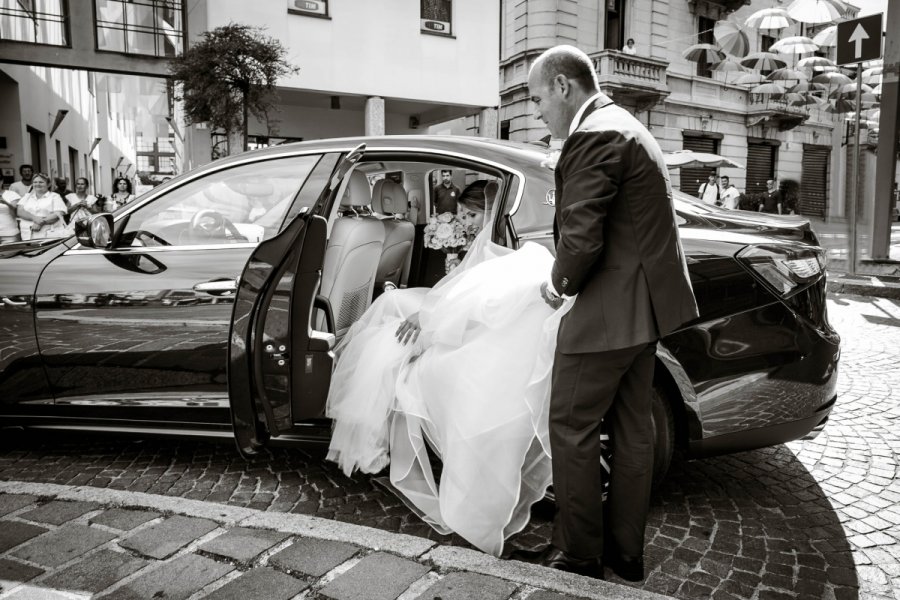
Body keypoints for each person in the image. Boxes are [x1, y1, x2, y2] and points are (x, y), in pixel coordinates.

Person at [527, 45, 698, 581]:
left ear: (562, 86)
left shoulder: (595, 134)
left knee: (571, 425)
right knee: (632, 433)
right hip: (640, 316)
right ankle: (625, 556)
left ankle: (579, 555)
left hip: (605, 315)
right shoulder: (625, 124)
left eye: (537, 99)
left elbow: (581, 236)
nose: (537, 112)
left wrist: (557, 285)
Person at [325, 178, 562, 557]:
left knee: (388, 329)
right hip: (468, 320)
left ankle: (372, 432)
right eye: (465, 214)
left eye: (470, 215)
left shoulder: (514, 250)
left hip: (472, 335)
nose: (466, 222)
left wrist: (430, 317)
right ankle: (374, 429)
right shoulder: (510, 243)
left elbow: (478, 301)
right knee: (393, 306)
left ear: (487, 212)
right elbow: (470, 291)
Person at [16, 172, 68, 239]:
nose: (37, 184)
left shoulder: (55, 196)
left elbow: (58, 214)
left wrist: (40, 223)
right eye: (35, 182)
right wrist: (35, 218)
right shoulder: (27, 196)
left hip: (49, 235)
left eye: (41, 182)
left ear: (48, 184)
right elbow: (20, 211)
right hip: (27, 235)